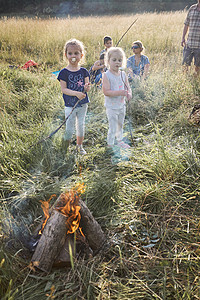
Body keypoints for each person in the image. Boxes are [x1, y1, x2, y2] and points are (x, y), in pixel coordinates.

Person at [57, 39, 90, 155]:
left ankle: (79, 146)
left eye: (76, 53)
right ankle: (65, 148)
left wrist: (86, 87)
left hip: (82, 104)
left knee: (80, 125)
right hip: (70, 105)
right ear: (66, 55)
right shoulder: (63, 73)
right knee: (69, 127)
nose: (73, 56)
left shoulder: (84, 71)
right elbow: (64, 89)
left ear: (81, 55)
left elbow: (87, 87)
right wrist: (76, 93)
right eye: (70, 53)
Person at [102, 47, 132, 149]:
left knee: (120, 124)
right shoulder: (106, 75)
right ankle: (110, 144)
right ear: (108, 61)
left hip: (121, 105)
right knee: (113, 126)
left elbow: (127, 86)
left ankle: (119, 141)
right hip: (111, 107)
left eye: (120, 60)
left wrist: (129, 93)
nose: (117, 63)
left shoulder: (123, 74)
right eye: (114, 60)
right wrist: (120, 92)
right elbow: (106, 92)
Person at [181, 0, 200, 76]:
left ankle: (195, 83)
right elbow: (186, 24)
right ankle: (185, 81)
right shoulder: (192, 8)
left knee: (198, 67)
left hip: (199, 46)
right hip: (189, 43)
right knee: (185, 65)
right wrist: (183, 38)